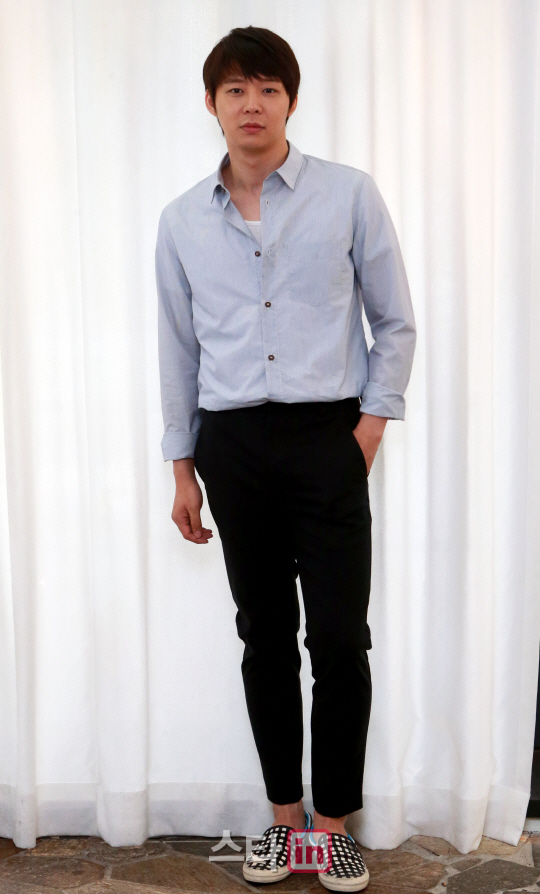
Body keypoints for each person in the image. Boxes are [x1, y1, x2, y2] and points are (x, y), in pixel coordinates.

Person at [155, 25, 416, 893]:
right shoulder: (182, 221)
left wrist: (366, 431)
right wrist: (183, 467)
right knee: (263, 638)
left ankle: (331, 827)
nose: (252, 104)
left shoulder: (348, 195)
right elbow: (178, 351)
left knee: (339, 638)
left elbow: (395, 322)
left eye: (268, 88)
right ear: (211, 103)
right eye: (235, 89)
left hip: (327, 438)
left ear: (291, 100)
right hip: (231, 446)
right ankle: (282, 820)